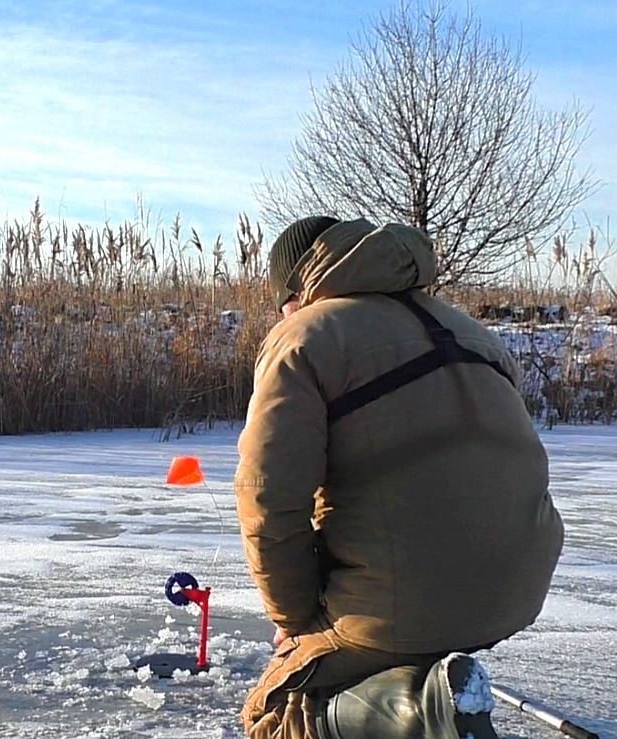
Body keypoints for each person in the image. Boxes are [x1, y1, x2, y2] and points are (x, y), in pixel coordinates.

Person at [234, 216, 565, 739]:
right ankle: (427, 684)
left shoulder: (304, 337)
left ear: (296, 290)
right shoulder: (473, 333)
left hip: (403, 602)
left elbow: (270, 499)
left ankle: (416, 710)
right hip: (518, 590)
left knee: (276, 715)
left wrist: (296, 623)